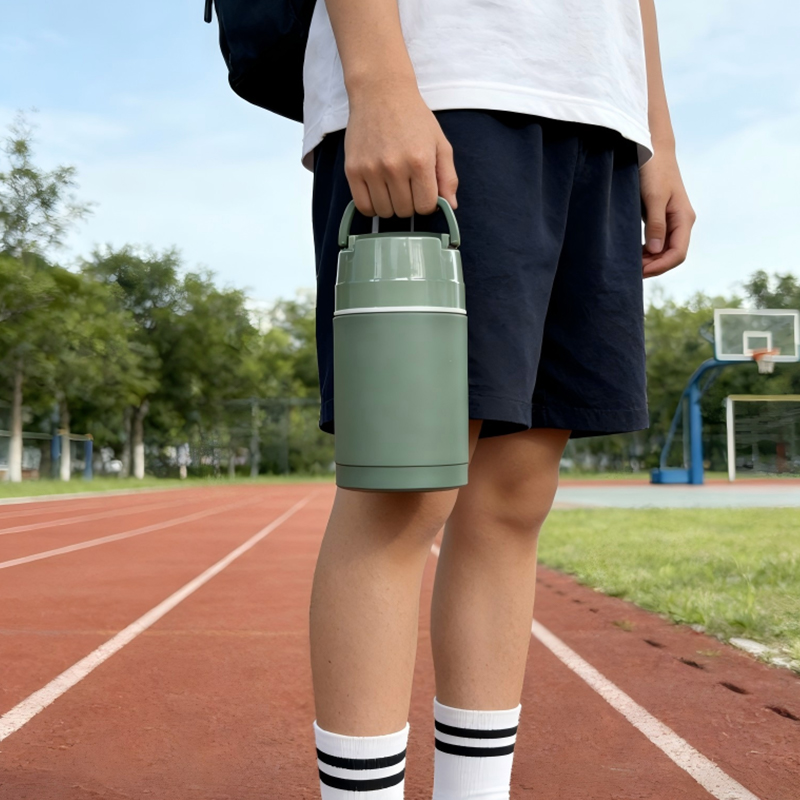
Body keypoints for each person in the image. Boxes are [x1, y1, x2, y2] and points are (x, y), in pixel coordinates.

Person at [303, 1, 695, 797]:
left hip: (598, 119)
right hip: (446, 86)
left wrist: (660, 140)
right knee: (405, 486)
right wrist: (379, 83)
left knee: (516, 495)